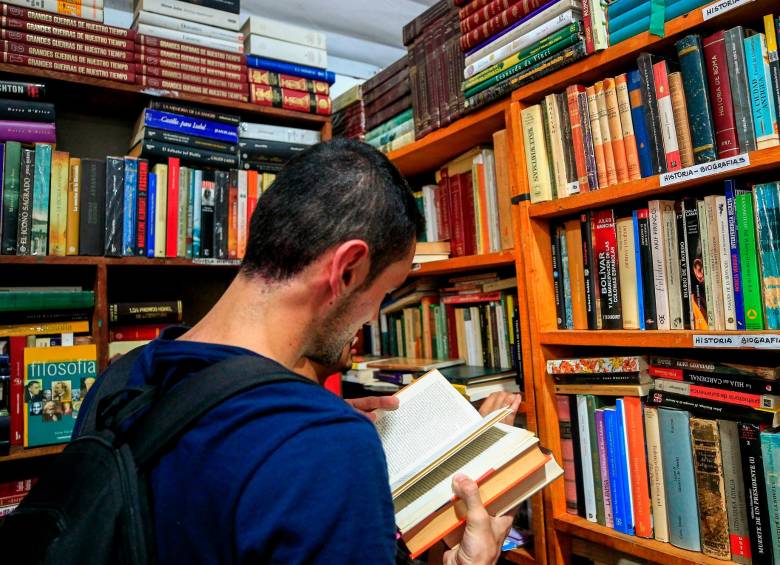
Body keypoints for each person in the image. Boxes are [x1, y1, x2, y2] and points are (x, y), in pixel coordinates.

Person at [75, 139, 512, 565]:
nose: (374, 315)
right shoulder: (324, 445)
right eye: (385, 292)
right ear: (347, 269)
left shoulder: (119, 379)